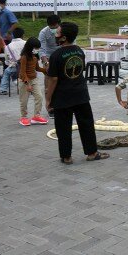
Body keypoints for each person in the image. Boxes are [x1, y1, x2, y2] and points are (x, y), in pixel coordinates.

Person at [46, 22, 109, 164]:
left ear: (64, 37)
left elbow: (53, 79)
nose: (56, 35)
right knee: (86, 124)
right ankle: (92, 153)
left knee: (63, 128)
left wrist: (48, 98)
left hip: (62, 97)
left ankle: (66, 156)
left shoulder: (56, 55)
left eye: (58, 33)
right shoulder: (79, 51)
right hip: (81, 94)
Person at [17, 37, 48, 126]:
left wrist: (45, 70)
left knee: (39, 97)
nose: (37, 50)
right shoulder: (24, 57)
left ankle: (36, 116)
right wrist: (27, 84)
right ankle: (24, 117)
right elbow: (22, 72)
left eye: (38, 48)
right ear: (30, 47)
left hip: (34, 80)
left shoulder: (34, 56)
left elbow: (37, 68)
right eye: (36, 48)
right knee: (24, 100)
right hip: (24, 81)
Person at [38, 15, 61, 117]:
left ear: (59, 24)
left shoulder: (64, 30)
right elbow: (41, 49)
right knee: (49, 82)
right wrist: (46, 63)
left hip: (61, 55)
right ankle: (50, 107)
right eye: (51, 28)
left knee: (63, 82)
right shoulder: (43, 32)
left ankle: (65, 105)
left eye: (55, 28)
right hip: (48, 57)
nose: (53, 30)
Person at [0, 27, 25, 95]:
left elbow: (6, 61)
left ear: (13, 35)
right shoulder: (26, 43)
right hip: (26, 67)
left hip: (14, 67)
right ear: (23, 35)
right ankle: (18, 82)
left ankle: (3, 89)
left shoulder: (7, 46)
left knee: (7, 72)